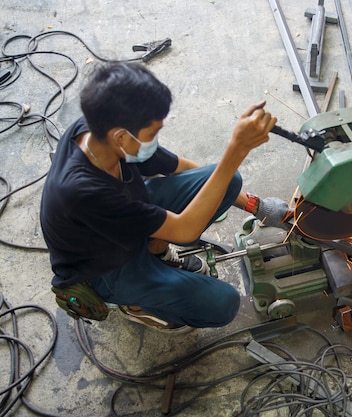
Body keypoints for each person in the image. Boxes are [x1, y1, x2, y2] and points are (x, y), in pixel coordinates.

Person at [40, 62, 290, 332]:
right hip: (105, 267)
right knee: (223, 304)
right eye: (152, 133)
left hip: (124, 222)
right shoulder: (82, 191)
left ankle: (156, 252)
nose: (156, 138)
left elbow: (177, 165)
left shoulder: (103, 132)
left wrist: (254, 205)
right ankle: (136, 305)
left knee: (228, 182)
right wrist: (236, 149)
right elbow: (185, 230)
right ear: (121, 137)